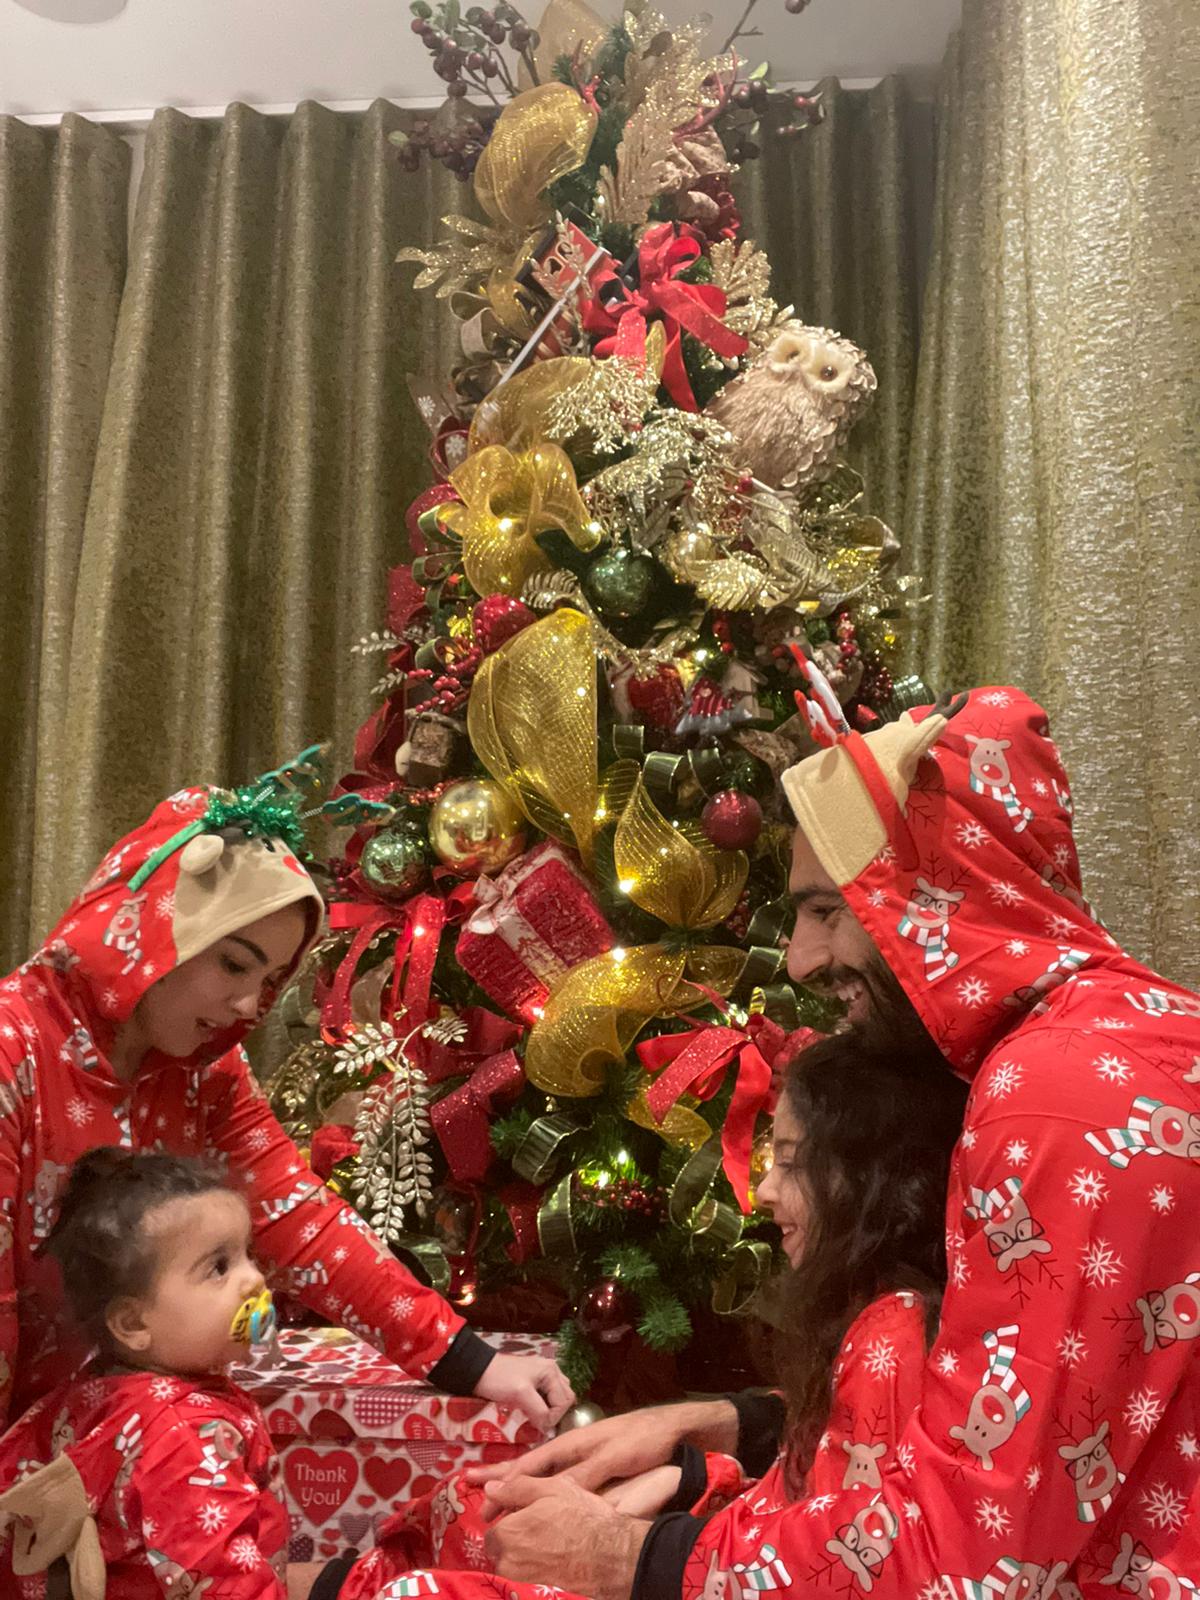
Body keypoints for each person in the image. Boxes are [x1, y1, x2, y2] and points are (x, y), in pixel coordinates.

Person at [469, 685, 1200, 1600]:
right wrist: (748, 1427)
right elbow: (1040, 1433)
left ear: (938, 889)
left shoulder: (1056, 1096)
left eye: (827, 909)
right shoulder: (1120, 1035)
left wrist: (635, 1560)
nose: (803, 960)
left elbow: (975, 1557)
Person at [0, 764, 571, 1440]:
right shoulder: (13, 1048)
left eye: (269, 978)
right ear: (155, 929)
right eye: (234, 963)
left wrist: (469, 1362)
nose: (250, 1004)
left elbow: (301, 1219)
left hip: (104, 1444)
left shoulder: (203, 1069)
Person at [333, 1029, 968, 1600]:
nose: (765, 1191)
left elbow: (837, 1565)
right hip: (725, 1541)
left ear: (872, 1183)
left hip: (717, 1568)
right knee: (478, 1506)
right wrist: (685, 1480)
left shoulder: (891, 1336)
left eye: (793, 1164)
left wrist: (643, 1535)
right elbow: (803, 1494)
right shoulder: (866, 1317)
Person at [0, 1147, 296, 1597]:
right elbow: (225, 1584)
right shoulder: (184, 1437)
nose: (254, 1279)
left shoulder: (105, 1390)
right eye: (218, 1266)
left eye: (247, 1255)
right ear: (134, 1324)